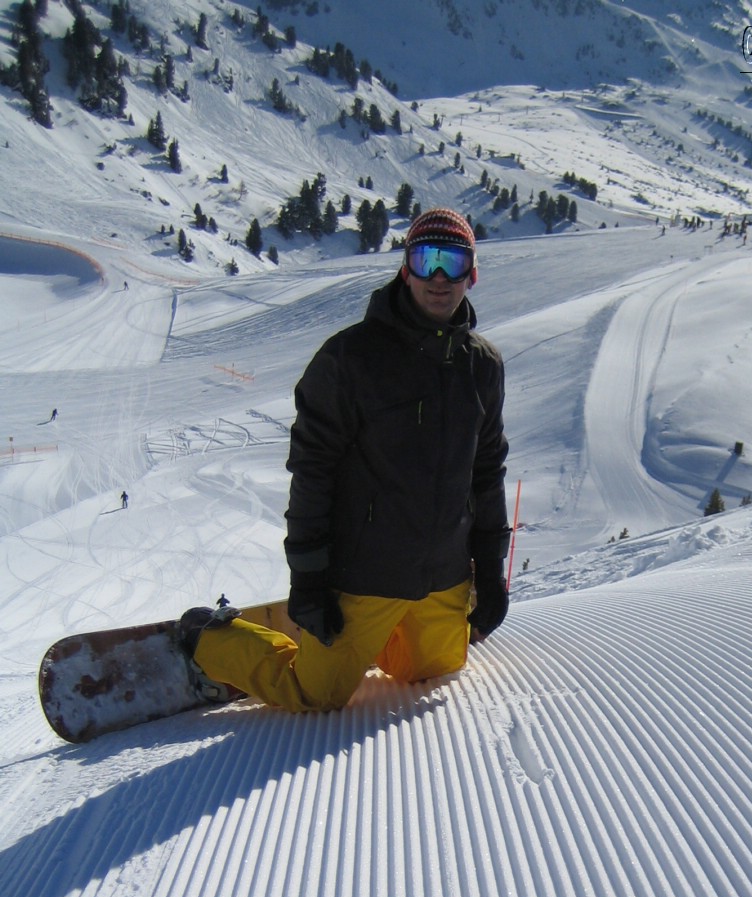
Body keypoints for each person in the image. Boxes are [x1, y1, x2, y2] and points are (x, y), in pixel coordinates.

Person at [179, 207, 510, 713]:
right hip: (365, 573)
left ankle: (376, 639)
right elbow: (312, 474)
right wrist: (309, 580)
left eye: (454, 261)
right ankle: (207, 636)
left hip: (442, 573)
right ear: (406, 268)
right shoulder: (349, 359)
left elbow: (486, 472)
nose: (439, 278)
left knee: (435, 670)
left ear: (473, 273)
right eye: (426, 260)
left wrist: (489, 571)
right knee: (316, 693)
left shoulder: (482, 365)